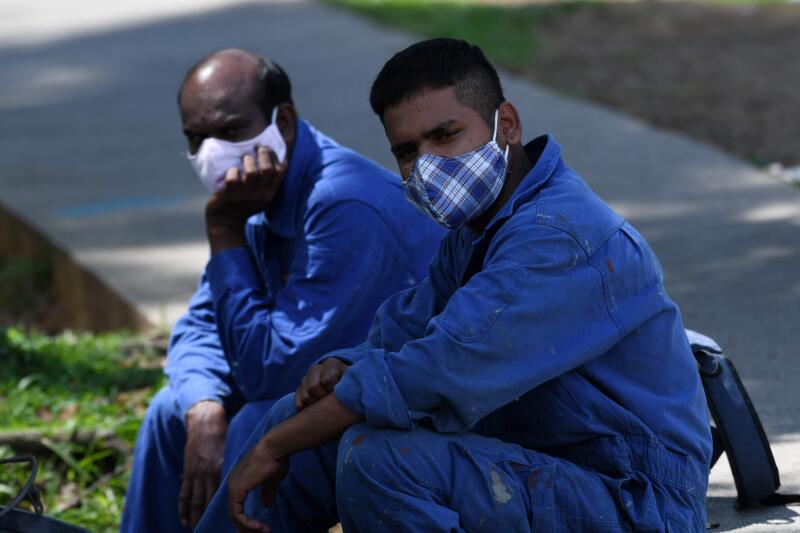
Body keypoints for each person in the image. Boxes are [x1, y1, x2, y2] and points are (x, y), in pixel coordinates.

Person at [196, 38, 712, 533]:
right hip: (545, 461)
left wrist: (274, 447)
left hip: (634, 499)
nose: (427, 165)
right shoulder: (481, 229)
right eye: (406, 150)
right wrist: (345, 365)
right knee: (304, 416)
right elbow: (403, 331)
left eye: (445, 135)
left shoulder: (558, 237)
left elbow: (437, 371)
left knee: (380, 459)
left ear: (505, 124)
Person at [120, 49, 444, 533]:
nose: (212, 153)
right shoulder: (255, 188)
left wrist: (225, 232)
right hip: (318, 392)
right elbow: (201, 326)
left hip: (409, 411)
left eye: (230, 131)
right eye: (195, 138)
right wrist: (203, 404)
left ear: (283, 122)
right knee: (174, 411)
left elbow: (271, 375)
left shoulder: (343, 205)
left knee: (257, 420)